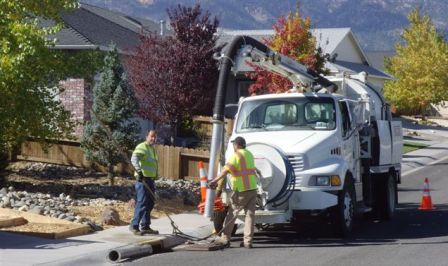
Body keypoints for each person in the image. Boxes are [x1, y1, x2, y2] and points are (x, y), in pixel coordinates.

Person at [209, 136, 258, 248]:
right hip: (252, 188)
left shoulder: (236, 156)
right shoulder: (249, 154)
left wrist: (214, 181)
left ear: (237, 145)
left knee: (232, 214)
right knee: (250, 216)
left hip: (241, 190)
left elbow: (225, 170)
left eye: (234, 145)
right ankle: (248, 242)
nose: (233, 147)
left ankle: (225, 238)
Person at [129, 130, 159, 235]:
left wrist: (155, 176)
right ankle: (134, 226)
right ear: (146, 136)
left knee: (150, 203)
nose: (153, 139)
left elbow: (152, 165)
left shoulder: (152, 150)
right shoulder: (142, 147)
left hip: (150, 180)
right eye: (151, 137)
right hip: (142, 180)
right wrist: (139, 172)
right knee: (142, 203)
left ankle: (145, 226)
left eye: (155, 137)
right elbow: (134, 159)